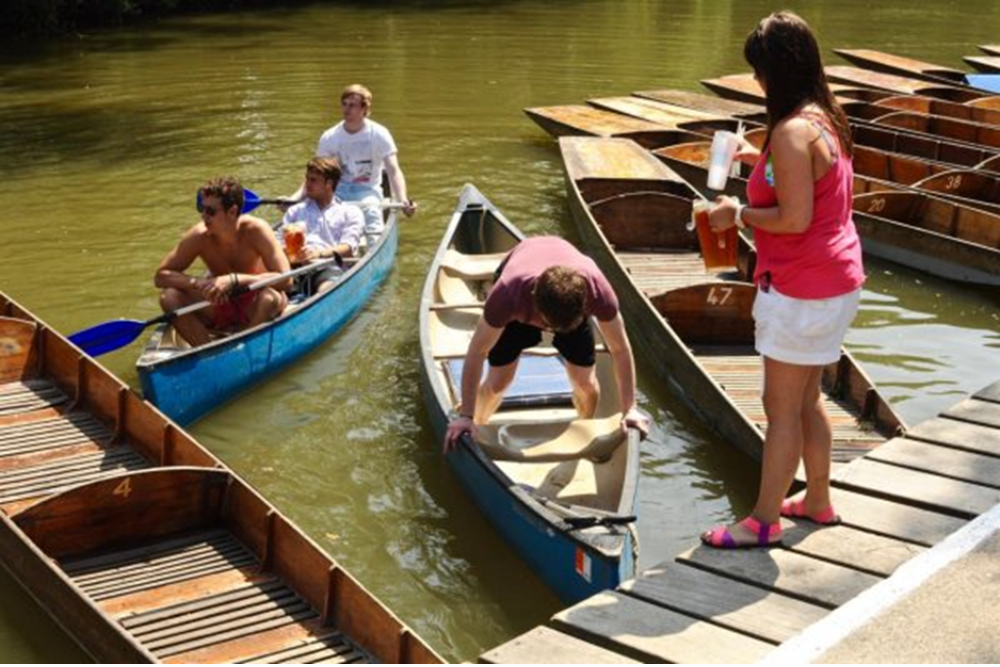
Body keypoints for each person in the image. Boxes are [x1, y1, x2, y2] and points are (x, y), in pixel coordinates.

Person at [700, 11, 865, 548]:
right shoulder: (824, 116)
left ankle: (763, 521)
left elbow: (793, 219)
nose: (756, 82)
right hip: (837, 280)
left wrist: (736, 214)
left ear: (779, 72)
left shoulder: (792, 131)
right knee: (808, 396)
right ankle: (817, 500)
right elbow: (811, 190)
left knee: (780, 409)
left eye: (759, 71)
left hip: (802, 288)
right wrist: (760, 159)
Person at [442, 237, 650, 453]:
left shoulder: (599, 292)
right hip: (522, 289)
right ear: (535, 306)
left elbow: (620, 350)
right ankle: (479, 424)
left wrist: (630, 409)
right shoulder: (507, 295)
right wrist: (465, 416)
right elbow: (477, 352)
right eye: (548, 325)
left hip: (566, 302)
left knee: (586, 385)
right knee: (498, 382)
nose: (551, 331)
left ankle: (584, 430)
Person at [155, 176, 291, 347]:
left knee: (269, 298)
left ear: (232, 212)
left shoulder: (257, 230)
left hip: (254, 302)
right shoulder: (199, 235)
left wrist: (235, 279)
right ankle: (208, 350)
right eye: (201, 208)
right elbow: (161, 277)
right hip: (220, 302)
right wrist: (198, 283)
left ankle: (246, 346)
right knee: (169, 297)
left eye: (210, 211)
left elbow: (287, 280)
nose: (203, 216)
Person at [297, 84, 416, 246]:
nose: (347, 109)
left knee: (372, 213)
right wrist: (296, 198)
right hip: (337, 190)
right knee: (312, 214)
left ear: (364, 109)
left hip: (367, 190)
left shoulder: (379, 134)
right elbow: (316, 174)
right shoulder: (330, 136)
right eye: (344, 104)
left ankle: (374, 248)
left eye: (352, 105)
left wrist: (403, 200)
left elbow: (393, 170)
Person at [280, 157, 365, 293]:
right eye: (307, 179)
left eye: (313, 180)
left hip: (326, 267)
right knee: (273, 290)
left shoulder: (350, 212)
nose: (307, 184)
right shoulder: (294, 211)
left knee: (326, 289)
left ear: (329, 184)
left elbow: (348, 248)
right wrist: (291, 254)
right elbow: (279, 244)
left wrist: (318, 254)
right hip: (293, 268)